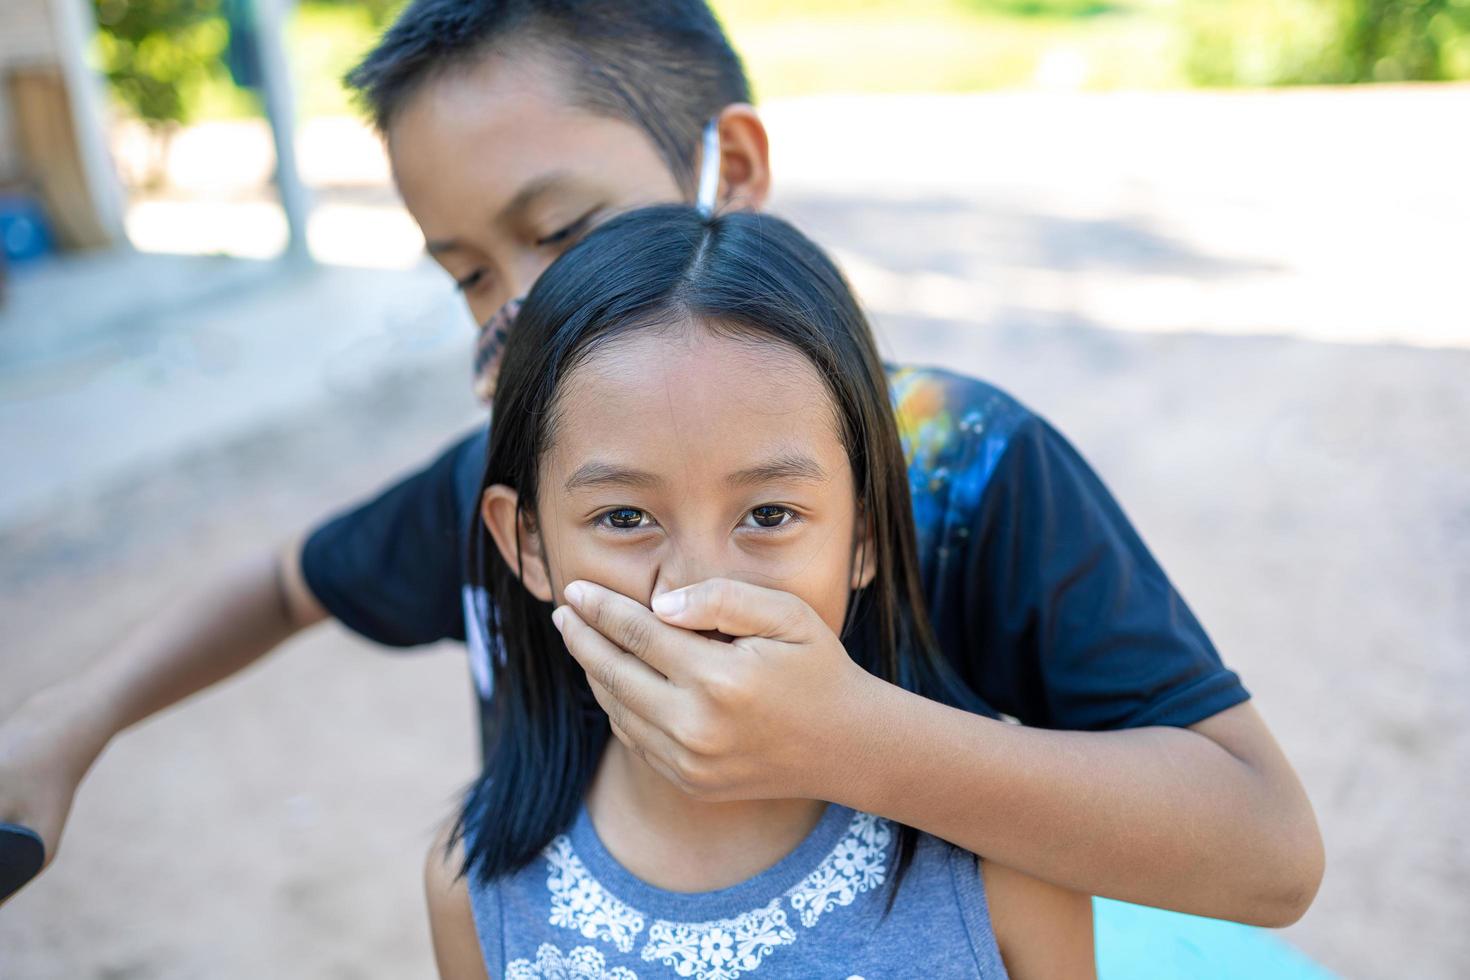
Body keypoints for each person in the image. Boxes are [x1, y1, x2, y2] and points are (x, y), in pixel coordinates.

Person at [0, 0, 1321, 926]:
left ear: (729, 170)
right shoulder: (503, 490)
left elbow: (1263, 853)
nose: (516, 311)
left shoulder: (957, 463)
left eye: (562, 232)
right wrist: (73, 720)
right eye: (467, 273)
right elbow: (288, 582)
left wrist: (859, 741)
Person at [427, 202, 1095, 979]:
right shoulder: (474, 888)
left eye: (769, 514)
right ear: (528, 545)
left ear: (866, 536)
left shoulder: (1011, 859)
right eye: (624, 516)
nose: (699, 591)